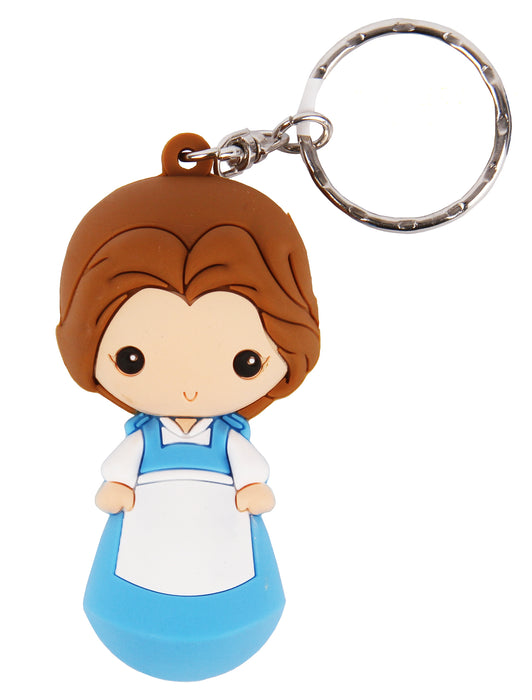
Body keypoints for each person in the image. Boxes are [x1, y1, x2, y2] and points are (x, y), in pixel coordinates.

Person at [56, 133, 321, 681]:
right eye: (132, 358)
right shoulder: (145, 439)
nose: (191, 390)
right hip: (144, 533)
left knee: (230, 569)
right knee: (137, 568)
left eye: (246, 362)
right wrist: (119, 486)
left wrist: (250, 488)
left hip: (224, 534)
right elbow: (118, 470)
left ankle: (227, 604)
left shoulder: (228, 441)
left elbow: (250, 469)